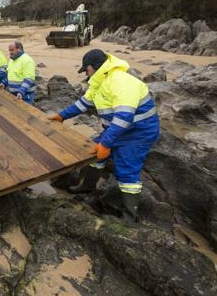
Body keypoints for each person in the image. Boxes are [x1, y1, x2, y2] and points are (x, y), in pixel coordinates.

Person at [48, 49, 160, 222]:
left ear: (93, 67)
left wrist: (106, 144)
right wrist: (62, 115)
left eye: (86, 69)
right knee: (93, 153)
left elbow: (124, 118)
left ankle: (129, 217)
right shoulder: (98, 83)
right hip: (118, 129)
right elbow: (82, 104)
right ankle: (86, 186)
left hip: (139, 132)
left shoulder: (120, 81)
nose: (85, 72)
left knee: (127, 172)